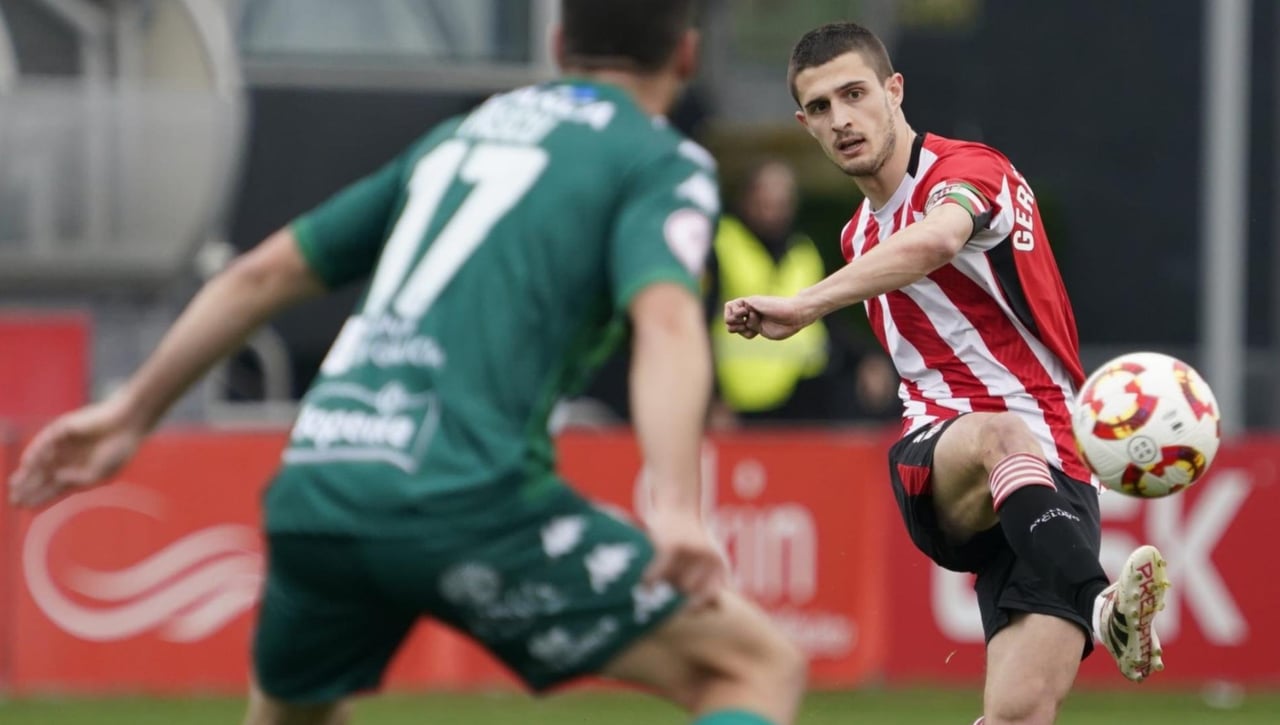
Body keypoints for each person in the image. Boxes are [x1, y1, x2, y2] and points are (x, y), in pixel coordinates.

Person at [8, 2, 808, 724]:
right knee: (752, 664)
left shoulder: (461, 135)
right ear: (688, 57)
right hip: (463, 495)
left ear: (560, 43)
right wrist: (675, 506)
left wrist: (128, 413)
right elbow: (667, 322)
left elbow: (259, 273)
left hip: (321, 481)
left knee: (291, 714)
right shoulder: (659, 161)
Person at [723, 22, 1167, 724]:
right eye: (819, 107)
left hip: (1058, 471)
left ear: (895, 91)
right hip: (946, 461)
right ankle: (1104, 603)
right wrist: (810, 307)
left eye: (854, 94)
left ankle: (1094, 603)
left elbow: (937, 238)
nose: (840, 119)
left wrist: (805, 303)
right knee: (1000, 433)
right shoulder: (856, 238)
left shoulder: (969, 172)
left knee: (1020, 712)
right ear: (803, 124)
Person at [708, 158, 898, 427]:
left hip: (804, 398)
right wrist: (711, 398)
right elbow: (698, 322)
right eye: (766, 200)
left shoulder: (802, 251)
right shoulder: (721, 244)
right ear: (746, 198)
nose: (774, 211)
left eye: (782, 202)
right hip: (741, 406)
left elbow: (829, 316)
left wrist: (866, 358)